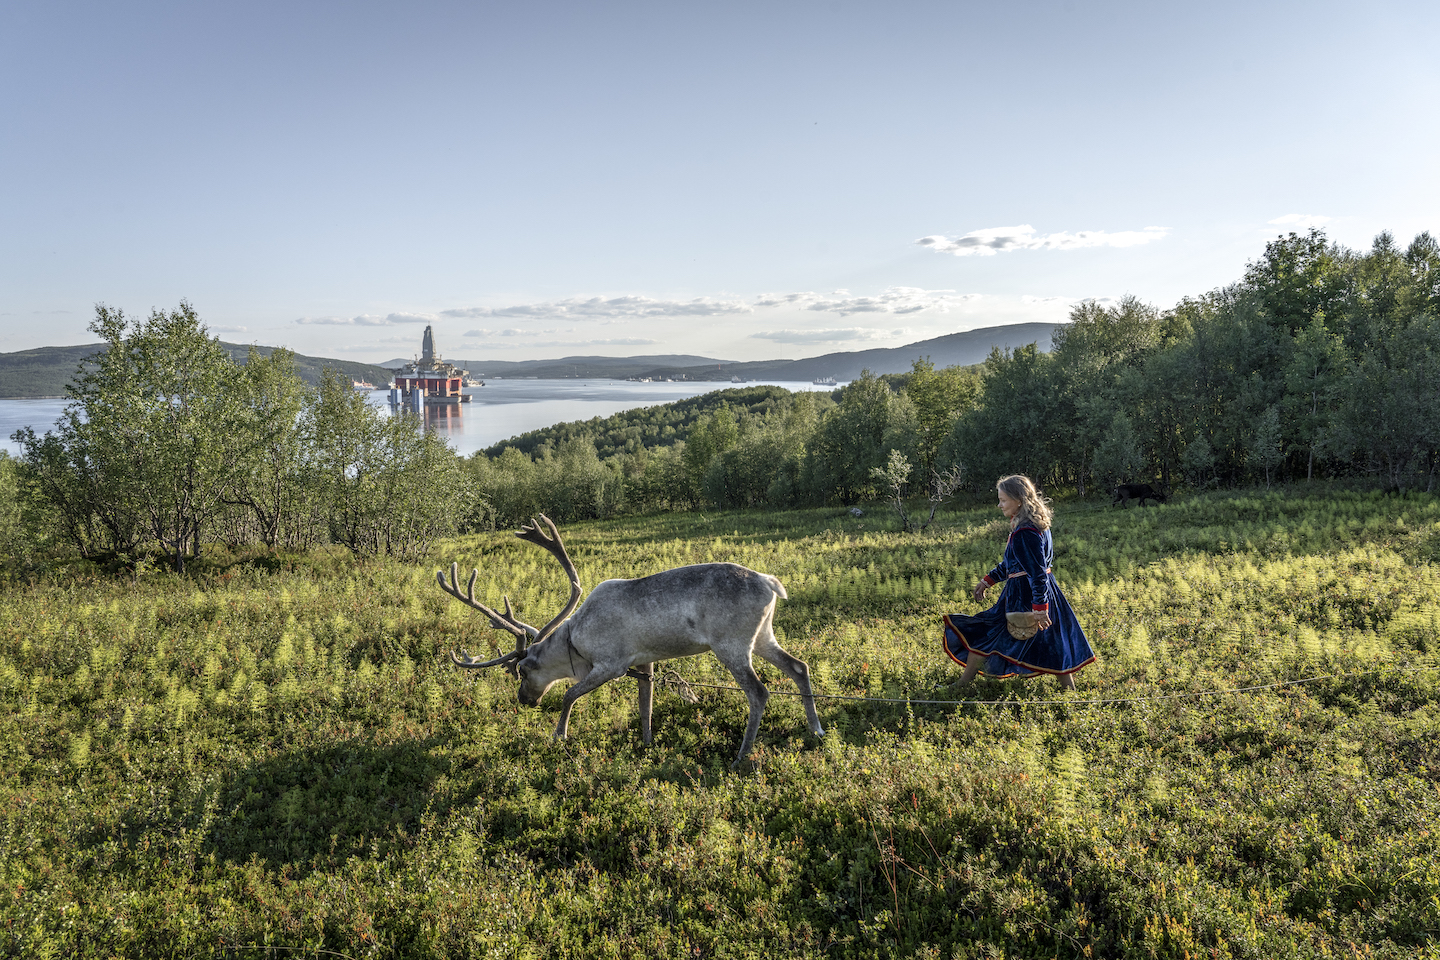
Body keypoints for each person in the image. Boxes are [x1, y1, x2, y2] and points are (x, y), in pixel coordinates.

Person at [943, 474, 1095, 691]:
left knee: (986, 633)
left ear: (1019, 500)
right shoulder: (1035, 524)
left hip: (1024, 595)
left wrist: (1039, 608)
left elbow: (1036, 572)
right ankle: (1069, 691)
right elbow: (1013, 563)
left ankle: (960, 685)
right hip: (1042, 592)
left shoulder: (1026, 531)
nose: (999, 504)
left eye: (1003, 500)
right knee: (1053, 640)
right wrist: (988, 581)